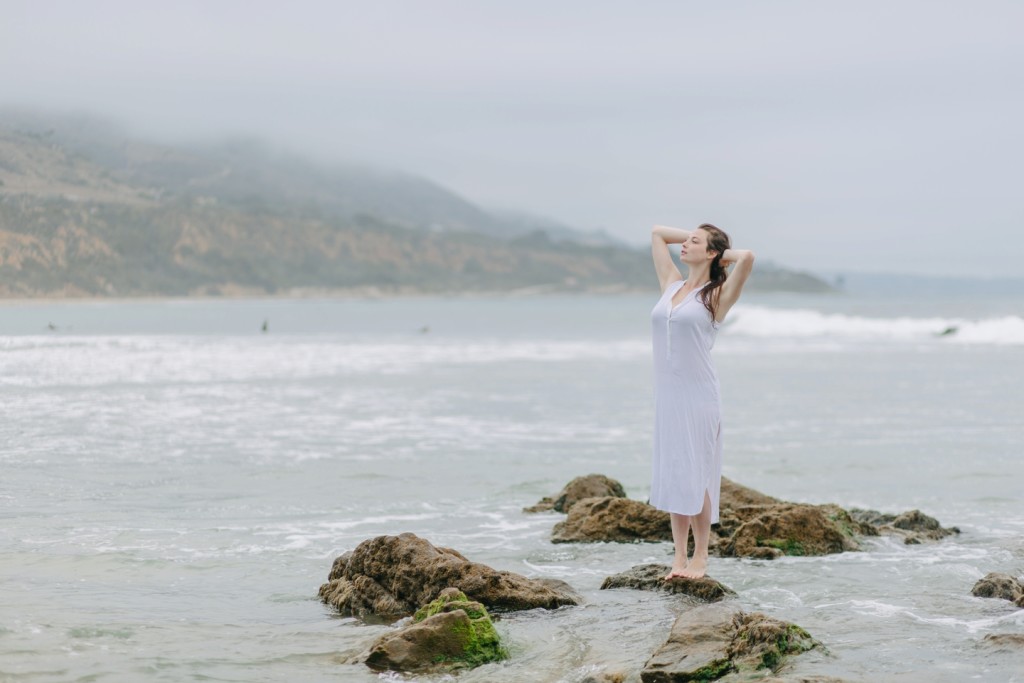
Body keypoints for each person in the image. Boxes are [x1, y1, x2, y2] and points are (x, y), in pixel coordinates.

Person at [649, 223, 755, 579]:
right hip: (668, 397)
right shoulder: (672, 284)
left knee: (698, 474)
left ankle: (701, 557)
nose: (685, 245)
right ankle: (678, 557)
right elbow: (658, 234)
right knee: (674, 472)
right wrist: (696, 237)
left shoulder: (717, 295)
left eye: (694, 242)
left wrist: (720, 252)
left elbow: (749, 258)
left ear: (712, 253)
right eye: (687, 240)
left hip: (699, 397)